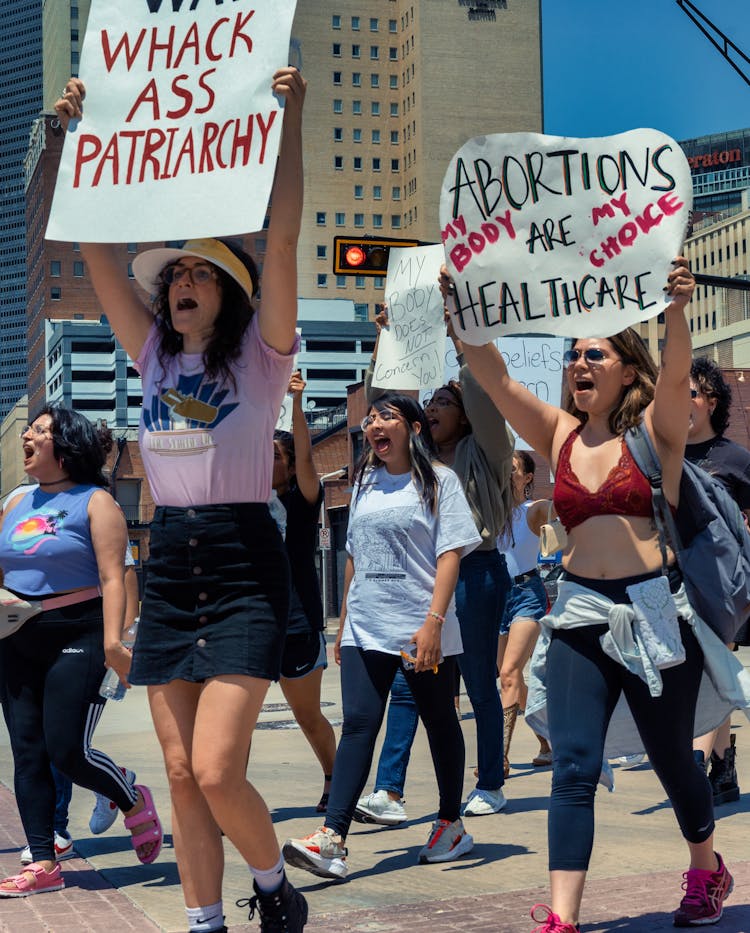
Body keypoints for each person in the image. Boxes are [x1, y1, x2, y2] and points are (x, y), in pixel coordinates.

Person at [55, 65, 308, 933]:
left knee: (216, 767)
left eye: (201, 272)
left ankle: (275, 886)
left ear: (225, 293)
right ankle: (205, 921)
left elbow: (281, 241)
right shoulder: (156, 359)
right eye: (175, 276)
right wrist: (78, 142)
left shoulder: (261, 361)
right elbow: (91, 253)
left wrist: (292, 120)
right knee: (175, 766)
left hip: (242, 560)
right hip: (171, 564)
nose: (182, 282)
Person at [460, 258, 749, 930]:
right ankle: (563, 916)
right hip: (581, 612)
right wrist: (465, 316)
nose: (579, 363)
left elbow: (677, 375)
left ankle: (706, 865)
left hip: (653, 612)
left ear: (625, 366)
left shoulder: (655, 436)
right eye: (573, 355)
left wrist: (676, 310)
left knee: (676, 757)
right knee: (574, 764)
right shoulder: (558, 434)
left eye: (595, 352)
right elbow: (495, 377)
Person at [282, 392, 481, 880]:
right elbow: (355, 554)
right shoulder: (365, 481)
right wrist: (346, 620)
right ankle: (332, 838)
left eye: (387, 416)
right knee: (358, 725)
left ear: (414, 429)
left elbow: (451, 553)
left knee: (439, 721)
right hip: (364, 627)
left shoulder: (440, 481)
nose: (374, 424)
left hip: (420, 628)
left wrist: (434, 622)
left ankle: (450, 823)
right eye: (371, 418)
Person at [354, 307, 514, 821]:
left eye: (447, 401)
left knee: (478, 682)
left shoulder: (484, 450)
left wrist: (461, 338)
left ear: (465, 414)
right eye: (432, 403)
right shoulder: (417, 457)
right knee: (407, 681)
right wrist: (387, 343)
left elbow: (488, 402)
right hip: (419, 579)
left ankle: (489, 782)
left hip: (474, 576)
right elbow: (385, 411)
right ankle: (390, 792)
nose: (434, 408)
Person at [0, 406, 161, 897]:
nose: (28, 436)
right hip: (15, 636)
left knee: (67, 750)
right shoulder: (15, 502)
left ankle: (130, 796)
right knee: (27, 753)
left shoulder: (96, 502)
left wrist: (115, 643)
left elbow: (115, 576)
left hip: (79, 633)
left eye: (40, 431)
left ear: (65, 448)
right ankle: (44, 863)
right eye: (30, 430)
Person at [687, 356, 750, 806]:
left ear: (710, 400)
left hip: (720, 585)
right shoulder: (659, 453)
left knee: (710, 671)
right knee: (711, 674)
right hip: (670, 580)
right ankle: (723, 766)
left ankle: (692, 763)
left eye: (688, 391)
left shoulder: (735, 459)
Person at [273, 371, 336, 813]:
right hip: (253, 626)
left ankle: (336, 780)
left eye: (274, 456)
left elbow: (306, 455)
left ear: (291, 464)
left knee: (307, 716)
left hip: (297, 624)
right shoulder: (244, 500)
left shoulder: (303, 498)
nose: (263, 461)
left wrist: (296, 403)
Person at [497, 451, 552, 775]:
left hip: (526, 596)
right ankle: (547, 740)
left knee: (508, 674)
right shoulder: (491, 514)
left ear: (528, 477)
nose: (507, 474)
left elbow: (554, 515)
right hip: (495, 598)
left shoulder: (534, 509)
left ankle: (499, 758)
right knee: (512, 679)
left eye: (513, 469)